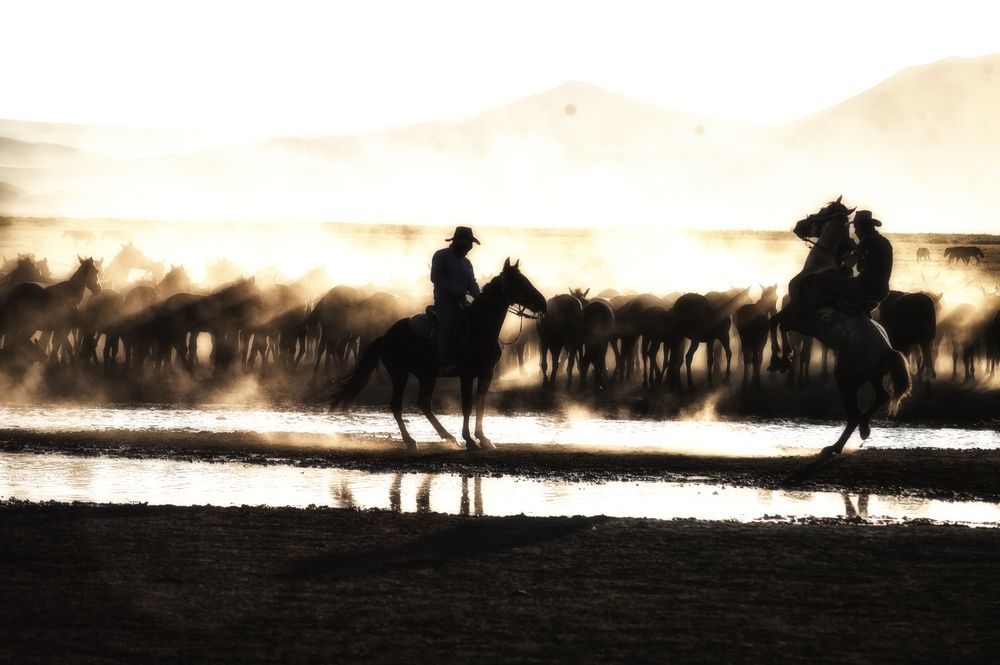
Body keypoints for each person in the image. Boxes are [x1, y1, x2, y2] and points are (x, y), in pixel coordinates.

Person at [807, 209, 893, 316]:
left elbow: (849, 265)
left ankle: (823, 315)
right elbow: (873, 260)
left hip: (864, 288)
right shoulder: (884, 241)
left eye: (856, 227)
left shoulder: (867, 240)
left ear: (862, 227)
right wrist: (856, 248)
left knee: (819, 279)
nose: (855, 231)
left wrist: (845, 260)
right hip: (881, 291)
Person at [430, 226, 481, 376]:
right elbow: (435, 277)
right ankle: (443, 364)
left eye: (471, 244)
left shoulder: (467, 263)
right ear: (459, 241)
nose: (470, 247)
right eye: (468, 243)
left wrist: (481, 298)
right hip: (444, 301)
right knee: (446, 325)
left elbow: (472, 284)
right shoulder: (441, 255)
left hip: (461, 301)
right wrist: (455, 288)